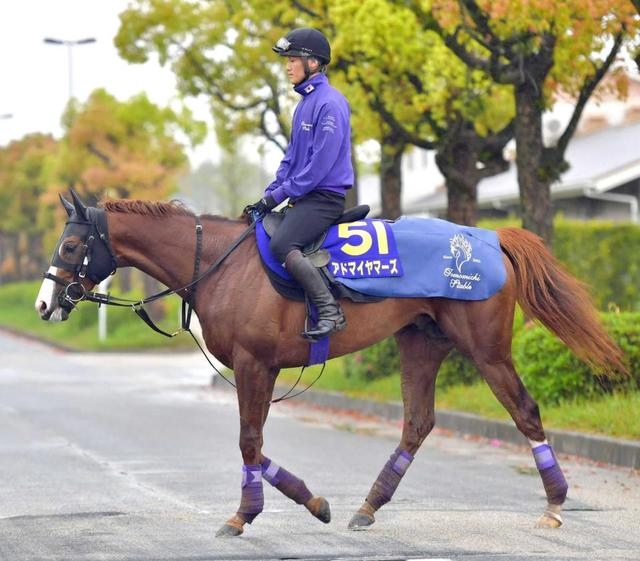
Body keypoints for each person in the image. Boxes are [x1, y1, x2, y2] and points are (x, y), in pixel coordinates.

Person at [245, 28, 354, 340]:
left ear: (314, 64)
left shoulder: (330, 103)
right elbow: (291, 160)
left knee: (281, 244)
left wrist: (280, 194)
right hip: (305, 197)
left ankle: (330, 312)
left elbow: (318, 167)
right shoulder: (304, 104)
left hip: (324, 198)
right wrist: (267, 197)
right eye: (287, 60)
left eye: (293, 59)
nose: (287, 66)